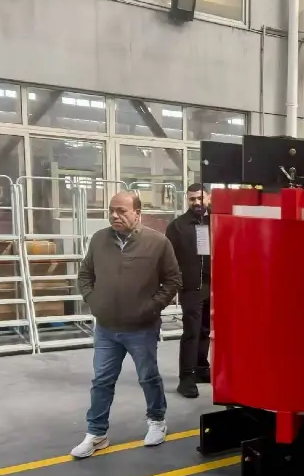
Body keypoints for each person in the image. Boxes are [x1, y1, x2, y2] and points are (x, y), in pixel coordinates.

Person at [72, 191, 184, 458]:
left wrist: (151, 307)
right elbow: (85, 274)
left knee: (148, 377)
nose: (114, 215)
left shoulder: (158, 243)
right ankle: (96, 433)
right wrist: (93, 300)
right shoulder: (99, 240)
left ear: (137, 213)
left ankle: (157, 421)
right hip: (106, 328)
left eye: (121, 211)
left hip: (141, 328)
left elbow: (173, 281)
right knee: (102, 381)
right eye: (111, 210)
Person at [166, 184, 212, 398]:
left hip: (213, 286)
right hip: (191, 287)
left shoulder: (216, 220)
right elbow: (169, 259)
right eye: (192, 199)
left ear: (208, 198)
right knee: (191, 332)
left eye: (200, 198)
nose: (196, 202)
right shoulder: (178, 226)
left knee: (205, 330)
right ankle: (186, 378)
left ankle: (201, 369)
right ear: (187, 200)